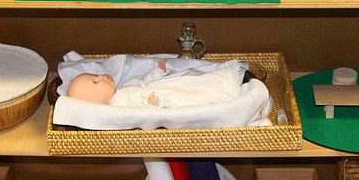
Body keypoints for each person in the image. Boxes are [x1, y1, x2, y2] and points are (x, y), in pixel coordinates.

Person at [67, 59, 242, 108]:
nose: (102, 76)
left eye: (96, 74)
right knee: (195, 96)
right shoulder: (118, 108)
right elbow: (140, 118)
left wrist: (156, 71)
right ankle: (229, 95)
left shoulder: (124, 88)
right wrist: (151, 106)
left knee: (193, 79)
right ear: (96, 104)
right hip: (164, 98)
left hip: (165, 86)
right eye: (96, 82)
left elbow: (143, 81)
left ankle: (228, 79)